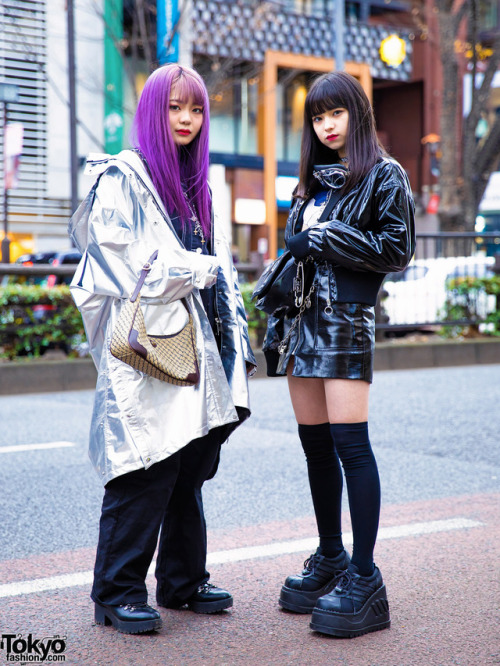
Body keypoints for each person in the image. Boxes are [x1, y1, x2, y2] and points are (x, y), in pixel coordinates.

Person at [68, 64, 256, 634]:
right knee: (145, 465)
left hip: (202, 346)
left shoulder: (198, 180)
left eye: (196, 110)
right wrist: (194, 270)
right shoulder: (122, 176)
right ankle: (117, 590)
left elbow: (221, 272)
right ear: (154, 109)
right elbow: (115, 265)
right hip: (148, 348)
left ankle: (182, 580)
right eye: (176, 107)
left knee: (190, 462)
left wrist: (236, 340)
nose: (187, 119)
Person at [262, 71, 415, 638]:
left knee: (352, 446)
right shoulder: (312, 183)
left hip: (347, 318)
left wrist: (324, 237)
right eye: (316, 117)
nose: (326, 126)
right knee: (316, 449)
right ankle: (330, 556)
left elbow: (395, 250)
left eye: (335, 114)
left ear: (358, 115)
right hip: (303, 322)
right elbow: (296, 248)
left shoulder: (385, 175)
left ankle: (365, 575)